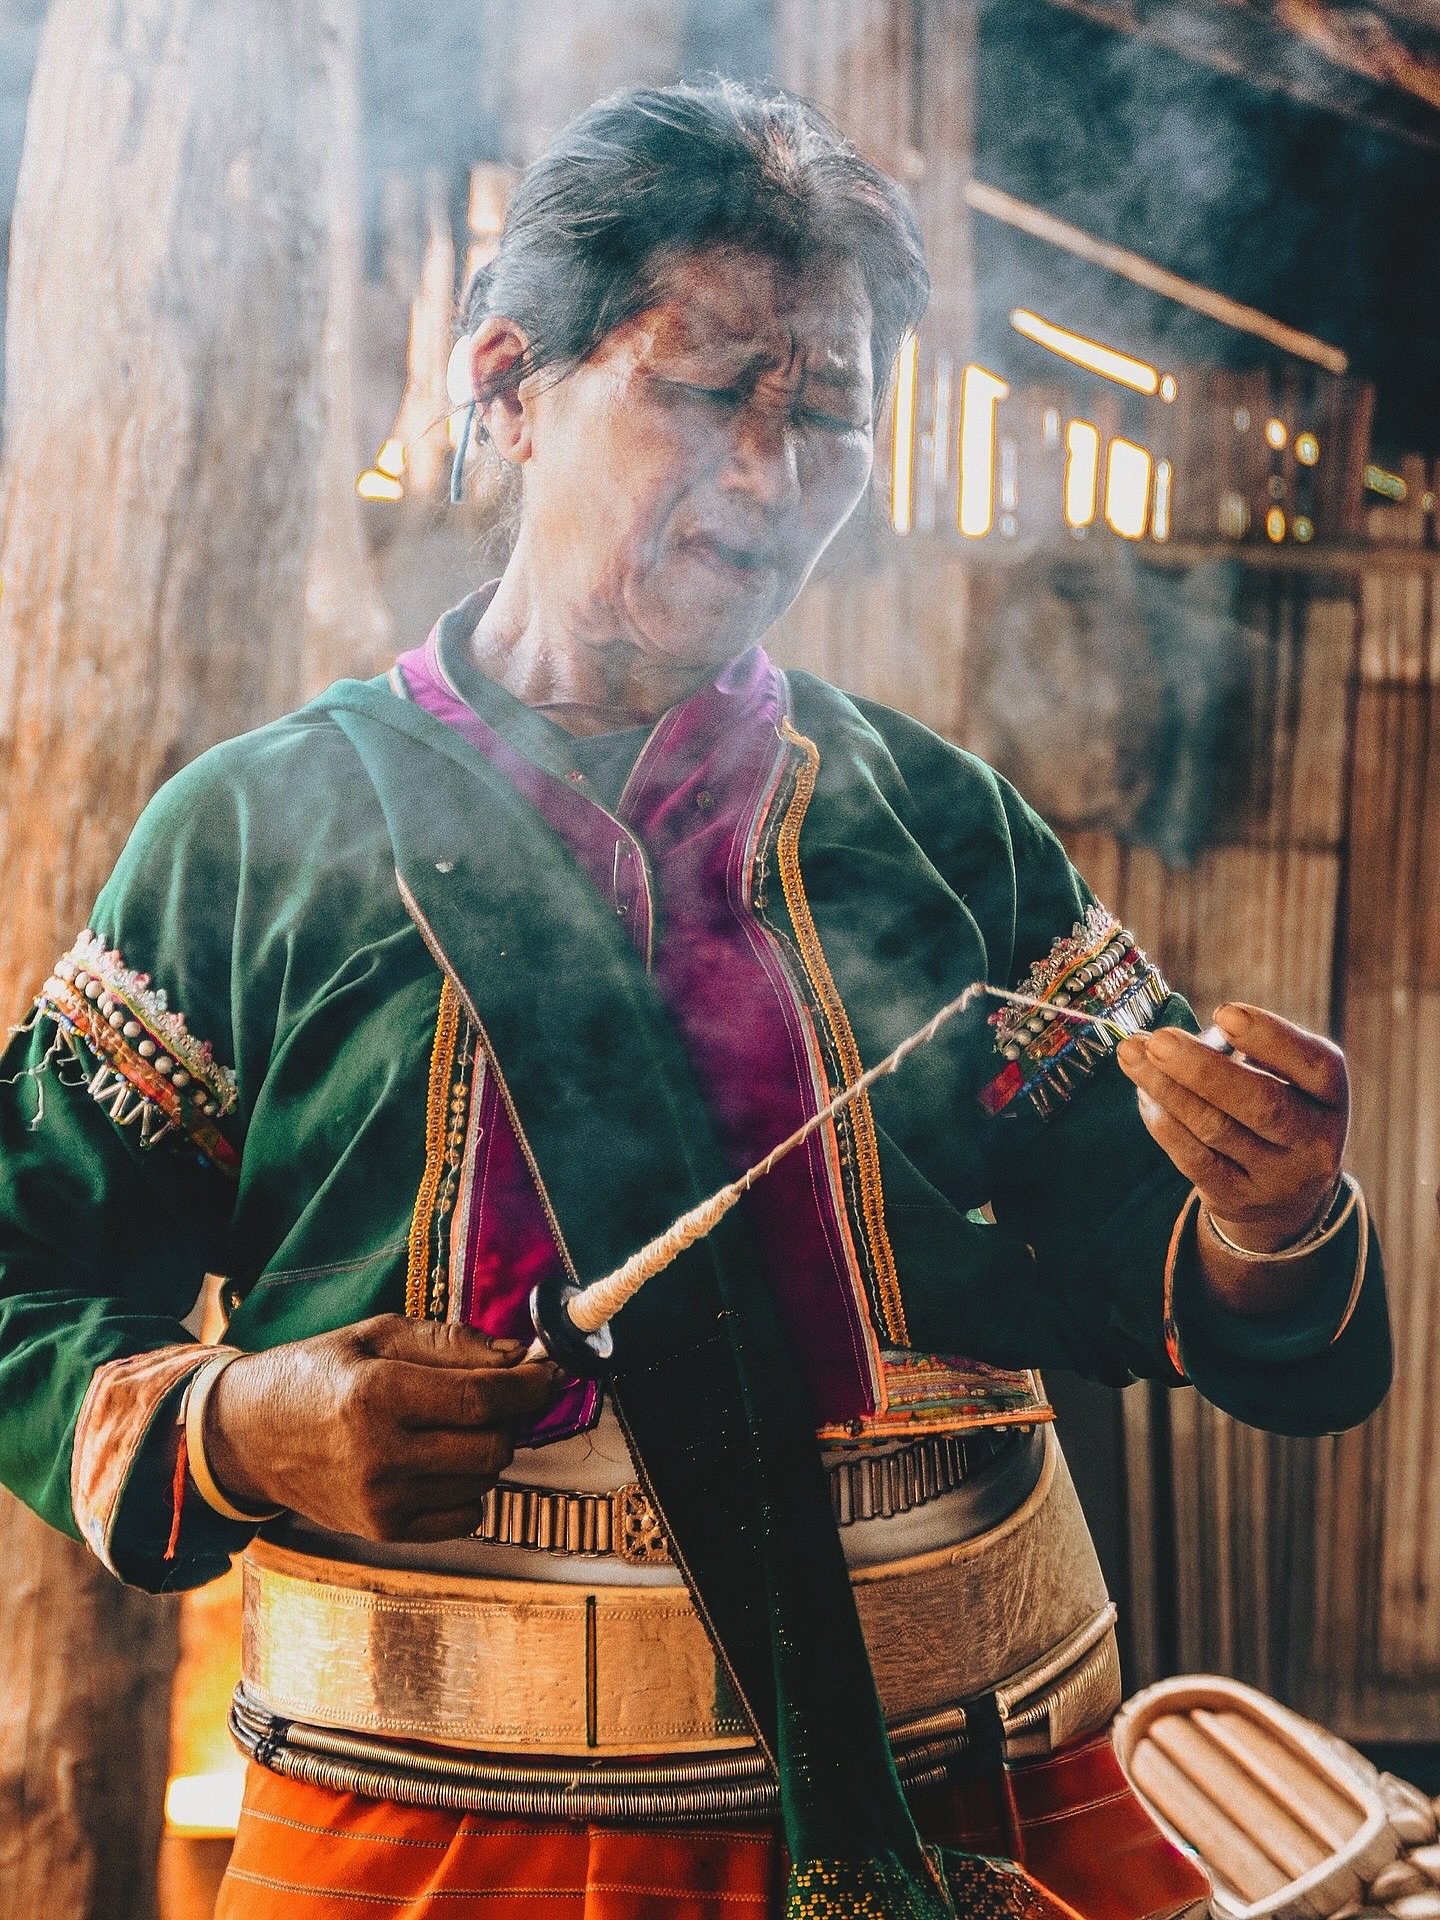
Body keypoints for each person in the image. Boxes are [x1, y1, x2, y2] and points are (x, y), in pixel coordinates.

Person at [0, 81, 1389, 1920]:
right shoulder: (253, 839)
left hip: (979, 1811)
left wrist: (1270, 1211)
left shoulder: (939, 830)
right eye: (704, 389)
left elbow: (1169, 1262)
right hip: (424, 1849)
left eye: (827, 414)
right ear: (507, 382)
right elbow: (25, 1280)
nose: (771, 472)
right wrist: (243, 1421)